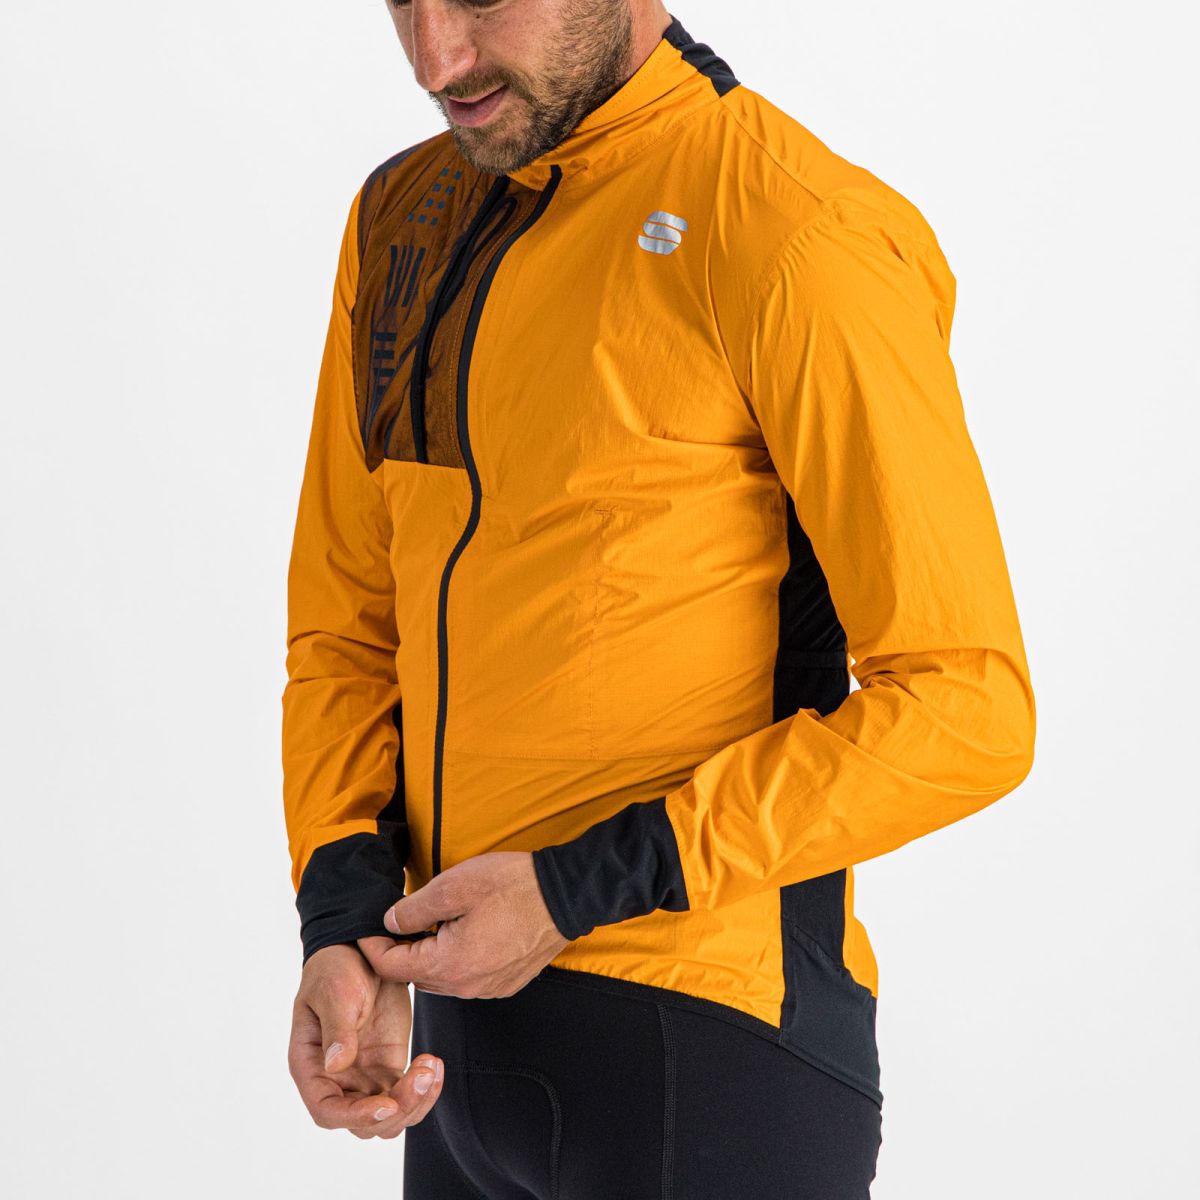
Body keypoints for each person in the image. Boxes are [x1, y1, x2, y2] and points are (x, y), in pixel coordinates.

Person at [281, 2, 1037, 1195]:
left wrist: (576, 888)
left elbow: (967, 709)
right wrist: (346, 921)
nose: (437, 57)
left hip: (712, 1052)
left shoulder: (795, 228)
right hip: (454, 1066)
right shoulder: (402, 216)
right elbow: (347, 623)